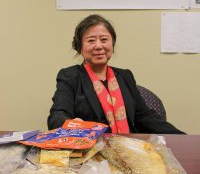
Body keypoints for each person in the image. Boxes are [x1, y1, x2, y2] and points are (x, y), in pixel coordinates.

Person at [47, 14, 184, 134]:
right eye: (91, 40)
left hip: (126, 148)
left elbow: (144, 116)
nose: (99, 46)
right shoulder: (70, 76)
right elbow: (57, 116)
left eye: (104, 39)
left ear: (112, 44)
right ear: (80, 47)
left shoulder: (125, 76)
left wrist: (182, 137)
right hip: (90, 151)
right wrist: (72, 124)